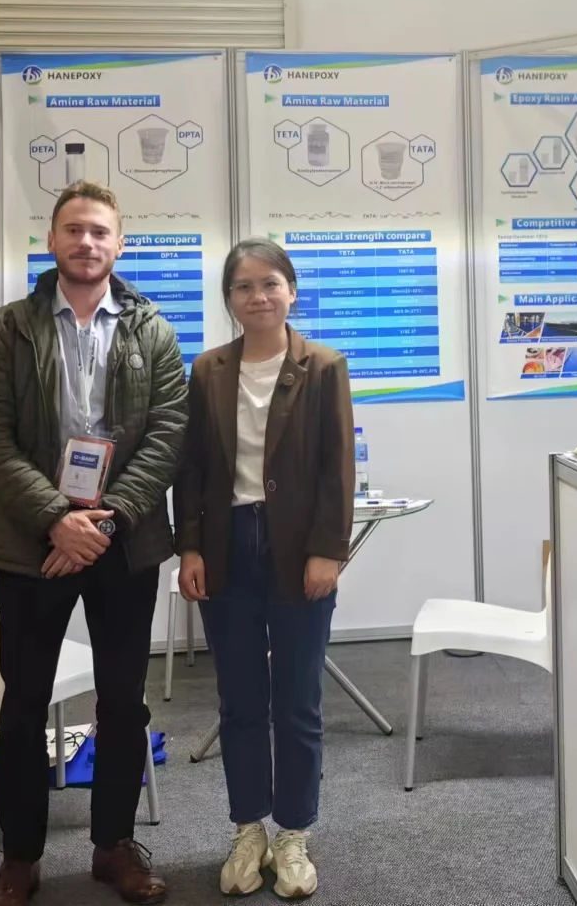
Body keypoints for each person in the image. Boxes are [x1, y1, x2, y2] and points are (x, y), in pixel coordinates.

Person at [0, 180, 187, 906]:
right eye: (73, 230)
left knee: (123, 701)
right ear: (52, 239)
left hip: (125, 544)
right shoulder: (7, 329)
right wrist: (57, 519)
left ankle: (113, 847)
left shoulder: (152, 330)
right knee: (24, 703)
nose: (86, 242)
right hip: (33, 544)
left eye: (99, 231)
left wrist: (106, 521)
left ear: (119, 244)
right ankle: (20, 857)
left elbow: (167, 435)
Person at [174, 241, 354, 900]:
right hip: (227, 548)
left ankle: (294, 833)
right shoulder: (208, 370)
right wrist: (190, 547)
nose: (258, 296)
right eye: (244, 286)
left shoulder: (324, 366)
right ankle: (248, 827)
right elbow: (191, 468)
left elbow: (338, 467)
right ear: (229, 298)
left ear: (291, 290)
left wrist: (328, 550)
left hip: (297, 549)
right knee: (240, 699)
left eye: (270, 283)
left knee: (298, 700)